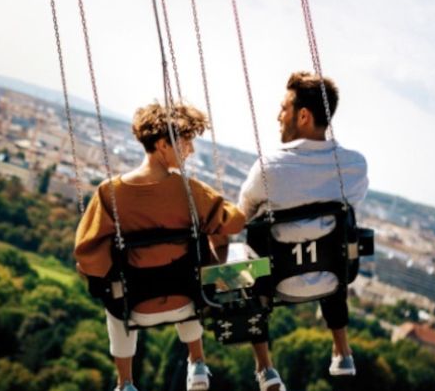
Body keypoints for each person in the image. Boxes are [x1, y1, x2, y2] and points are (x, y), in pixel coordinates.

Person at [75, 102, 247, 391]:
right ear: (163, 144)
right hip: (186, 302)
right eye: (186, 141)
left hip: (134, 307)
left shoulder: (110, 193)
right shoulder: (190, 190)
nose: (190, 150)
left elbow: (87, 253)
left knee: (114, 291)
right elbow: (235, 222)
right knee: (193, 265)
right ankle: (198, 362)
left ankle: (125, 381)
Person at [237, 72, 369, 391]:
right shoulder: (355, 167)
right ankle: (341, 350)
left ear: (303, 115)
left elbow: (242, 216)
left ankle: (265, 368)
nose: (278, 116)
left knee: (241, 260)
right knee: (334, 241)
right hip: (330, 279)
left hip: (273, 284)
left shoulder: (269, 167)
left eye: (283, 108)